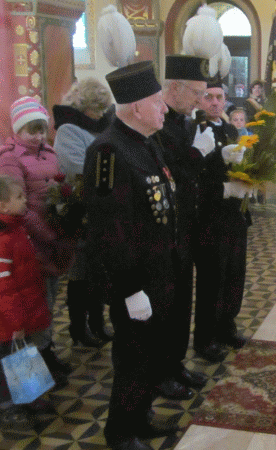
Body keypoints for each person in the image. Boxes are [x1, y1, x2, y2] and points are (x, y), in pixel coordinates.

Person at [82, 61, 180, 450]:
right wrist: (130, 289)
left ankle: (140, 416)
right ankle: (121, 431)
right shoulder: (108, 151)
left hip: (160, 272)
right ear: (137, 107)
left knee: (152, 354)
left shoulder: (145, 142)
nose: (164, 108)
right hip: (135, 280)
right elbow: (110, 230)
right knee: (133, 356)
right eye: (157, 101)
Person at [0, 96, 72, 386]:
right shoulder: (10, 157)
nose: (39, 136)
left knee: (47, 303)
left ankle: (45, 353)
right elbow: (17, 204)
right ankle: (31, 376)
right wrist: (47, 233)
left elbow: (57, 185)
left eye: (42, 129)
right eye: (32, 130)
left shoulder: (49, 151)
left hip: (51, 237)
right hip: (29, 238)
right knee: (31, 306)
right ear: (18, 129)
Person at [153, 54, 212, 397]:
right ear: (174, 88)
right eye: (197, 93)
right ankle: (162, 371)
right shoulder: (159, 125)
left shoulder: (185, 122)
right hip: (166, 231)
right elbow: (171, 173)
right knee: (166, 304)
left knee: (182, 302)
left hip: (186, 225)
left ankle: (175, 363)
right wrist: (197, 154)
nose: (200, 101)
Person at [192, 77, 253, 363]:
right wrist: (223, 189)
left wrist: (249, 181)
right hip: (209, 217)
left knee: (234, 273)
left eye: (219, 97)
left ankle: (227, 326)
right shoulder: (195, 131)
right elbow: (193, 176)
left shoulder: (231, 129)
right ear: (200, 100)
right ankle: (205, 338)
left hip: (234, 215)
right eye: (208, 97)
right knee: (211, 279)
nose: (215, 102)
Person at [53, 78, 115, 348]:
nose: (100, 114)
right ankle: (79, 327)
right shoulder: (68, 129)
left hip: (102, 209)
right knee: (80, 274)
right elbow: (76, 168)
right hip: (79, 210)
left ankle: (97, 322)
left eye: (103, 109)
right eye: (96, 108)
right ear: (82, 105)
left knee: (99, 271)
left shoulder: (102, 125)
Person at [0, 175, 53, 429]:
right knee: (7, 360)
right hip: (8, 318)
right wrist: (15, 321)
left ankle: (31, 396)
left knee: (23, 353)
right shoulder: (3, 239)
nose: (25, 200)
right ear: (3, 205)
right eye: (19, 197)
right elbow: (4, 288)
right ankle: (7, 407)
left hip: (22, 309)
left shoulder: (17, 228)